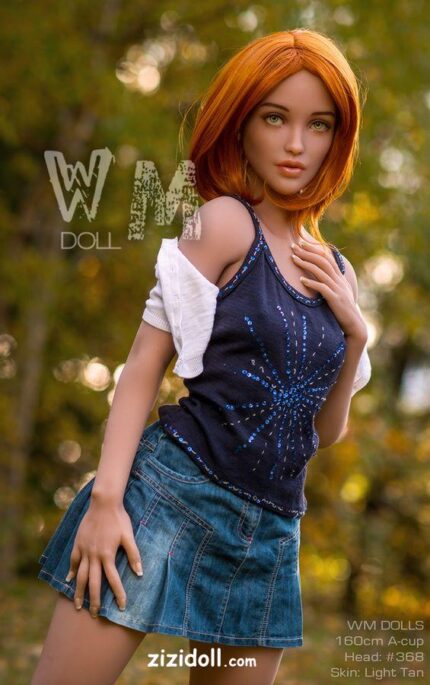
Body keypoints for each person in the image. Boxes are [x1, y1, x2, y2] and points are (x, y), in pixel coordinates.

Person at [32, 28, 372, 685]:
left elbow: (323, 433)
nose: (296, 144)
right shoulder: (221, 223)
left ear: (338, 137)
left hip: (268, 539)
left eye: (318, 124)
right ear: (241, 124)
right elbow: (142, 368)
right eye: (275, 118)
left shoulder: (339, 271)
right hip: (168, 499)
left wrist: (355, 333)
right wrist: (107, 501)